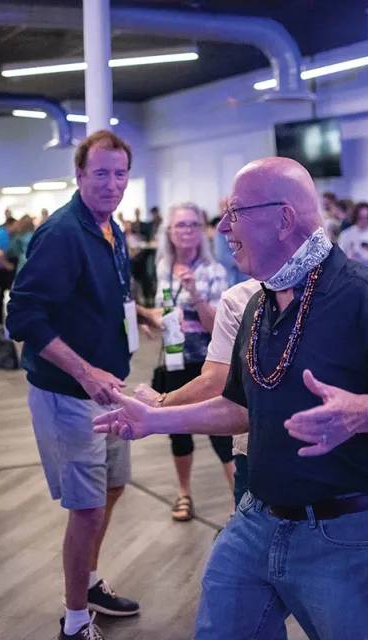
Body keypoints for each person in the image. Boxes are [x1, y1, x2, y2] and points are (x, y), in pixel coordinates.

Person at [95, 156, 368, 640]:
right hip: (255, 521)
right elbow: (240, 408)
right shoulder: (260, 303)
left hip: (342, 534)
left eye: (235, 212)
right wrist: (157, 418)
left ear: (283, 218)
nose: (222, 227)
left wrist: (362, 412)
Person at [6, 130, 161, 640]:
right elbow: (24, 315)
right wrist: (85, 370)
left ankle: (89, 584)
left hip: (108, 392)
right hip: (70, 396)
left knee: (112, 489)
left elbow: (93, 297)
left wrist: (136, 312)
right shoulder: (64, 232)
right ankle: (75, 623)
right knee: (88, 507)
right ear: (79, 176)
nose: (112, 184)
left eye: (120, 174)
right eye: (101, 173)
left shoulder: (108, 229)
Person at [152, 202, 231, 522]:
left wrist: (195, 293)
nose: (186, 231)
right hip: (173, 360)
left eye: (192, 225)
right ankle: (184, 494)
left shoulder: (214, 272)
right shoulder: (162, 267)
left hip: (207, 362)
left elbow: (218, 326)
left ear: (202, 232)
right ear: (169, 233)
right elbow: (162, 310)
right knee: (177, 431)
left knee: (221, 431)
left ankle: (238, 500)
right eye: (179, 225)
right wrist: (156, 319)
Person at [338, 201, 368, 274]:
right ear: (356, 217)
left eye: (367, 217)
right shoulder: (346, 234)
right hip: (352, 274)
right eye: (361, 217)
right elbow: (340, 259)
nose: (364, 220)